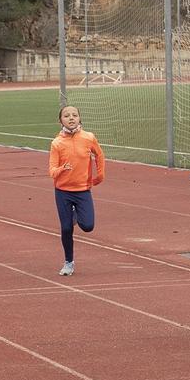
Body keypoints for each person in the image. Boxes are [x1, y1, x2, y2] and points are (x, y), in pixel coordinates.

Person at [48, 104, 105, 276]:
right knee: (66, 229)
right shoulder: (57, 143)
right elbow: (51, 171)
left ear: (80, 118)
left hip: (82, 190)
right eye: (66, 115)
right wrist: (62, 169)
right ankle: (69, 262)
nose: (71, 118)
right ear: (60, 121)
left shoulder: (88, 138)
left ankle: (75, 215)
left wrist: (100, 176)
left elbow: (100, 155)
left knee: (88, 226)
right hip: (63, 191)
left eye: (74, 115)